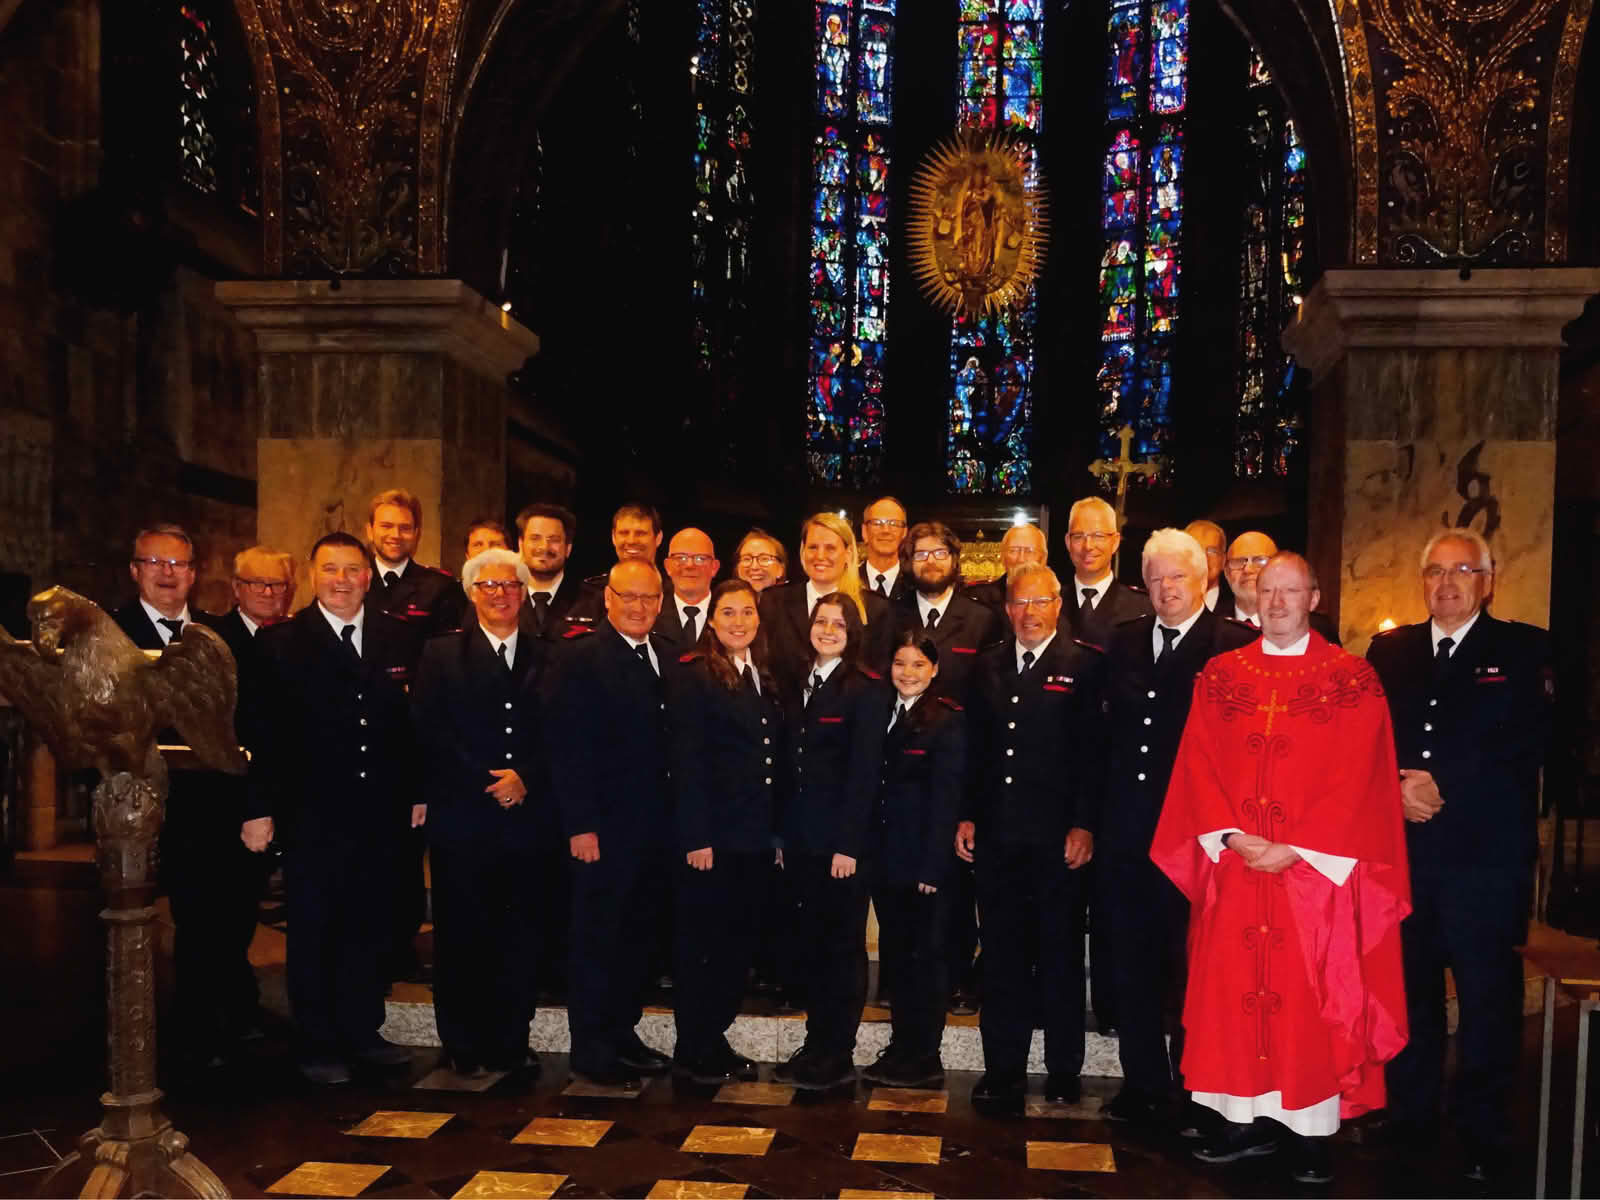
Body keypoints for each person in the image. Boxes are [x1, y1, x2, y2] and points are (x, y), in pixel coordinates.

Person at [1152, 552, 1410, 1185]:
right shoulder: (1220, 676)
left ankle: (1313, 1135)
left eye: (1289, 591)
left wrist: (1295, 847)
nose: (1275, 603)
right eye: (1265, 591)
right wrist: (1235, 836)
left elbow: (1362, 778)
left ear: (1314, 596)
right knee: (1233, 1001)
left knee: (1308, 1005)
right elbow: (1197, 766)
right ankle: (1243, 1123)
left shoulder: (1352, 680)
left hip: (1313, 879)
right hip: (1237, 869)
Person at [1367, 529, 1552, 1182]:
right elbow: (1364, 737)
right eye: (1435, 572)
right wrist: (1395, 786)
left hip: (1485, 860)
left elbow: (1532, 742)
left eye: (1462, 571)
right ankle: (1411, 1116)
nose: (1446, 583)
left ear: (1488, 580)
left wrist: (1443, 781)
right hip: (1408, 853)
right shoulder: (1390, 651)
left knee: (1486, 1001)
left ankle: (1482, 1131)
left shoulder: (1525, 649)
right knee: (1411, 995)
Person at [249, 531, 423, 1084]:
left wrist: (418, 789)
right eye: (331, 570)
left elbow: (414, 725)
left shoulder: (401, 638)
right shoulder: (282, 642)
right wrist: (260, 807)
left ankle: (361, 1030)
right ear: (312, 575)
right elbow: (262, 735)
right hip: (314, 813)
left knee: (371, 923)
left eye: (352, 570)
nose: (342, 581)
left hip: (383, 810)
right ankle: (318, 1042)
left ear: (368, 576)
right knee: (315, 926)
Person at [1098, 529, 1255, 1131]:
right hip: (1127, 835)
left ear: (1204, 580)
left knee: (1193, 969)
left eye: (1178, 577)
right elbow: (1103, 741)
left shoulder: (1232, 647)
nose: (1166, 589)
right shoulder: (1123, 642)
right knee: (1131, 962)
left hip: (1200, 841)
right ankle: (1142, 1084)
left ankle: (1195, 1088)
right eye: (1156, 578)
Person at [958, 563, 1107, 1112]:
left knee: (1061, 956)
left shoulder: (1085, 666)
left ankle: (1064, 1070)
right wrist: (968, 814)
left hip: (1058, 842)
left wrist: (1086, 823)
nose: (1028, 612)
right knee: (1001, 957)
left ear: (1058, 602)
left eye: (1039, 601)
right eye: (1019, 603)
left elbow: (1096, 754)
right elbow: (975, 750)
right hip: (998, 837)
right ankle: (1003, 1069)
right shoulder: (989, 666)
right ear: (1007, 607)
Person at [112, 525, 259, 1070]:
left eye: (178, 564)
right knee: (184, 921)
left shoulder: (217, 634)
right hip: (152, 801)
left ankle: (225, 1016)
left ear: (194, 574)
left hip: (220, 801)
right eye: (154, 562)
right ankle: (188, 1035)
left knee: (229, 915)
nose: (167, 573)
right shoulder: (113, 633)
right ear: (135, 570)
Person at [410, 548, 545, 1080]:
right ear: (472, 593)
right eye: (488, 586)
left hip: (527, 819)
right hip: (463, 817)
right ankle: (463, 1042)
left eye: (510, 585)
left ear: (523, 592)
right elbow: (430, 728)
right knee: (463, 934)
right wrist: (487, 782)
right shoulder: (442, 655)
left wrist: (526, 778)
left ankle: (512, 1039)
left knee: (519, 934)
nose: (500, 594)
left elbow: (557, 727)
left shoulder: (547, 654)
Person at [540, 559, 675, 1087]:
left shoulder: (668, 653)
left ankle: (623, 1033)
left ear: (661, 602)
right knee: (598, 939)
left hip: (657, 829)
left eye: (649, 598)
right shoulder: (579, 657)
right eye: (629, 597)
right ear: (608, 599)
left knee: (639, 939)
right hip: (603, 831)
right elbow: (565, 748)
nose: (639, 607)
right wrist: (581, 826)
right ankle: (592, 1049)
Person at [664, 579, 783, 1085]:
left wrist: (775, 836)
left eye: (747, 612)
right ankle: (695, 1046)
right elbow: (685, 760)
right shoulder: (694, 675)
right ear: (711, 621)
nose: (739, 621)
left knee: (737, 946)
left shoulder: (762, 673)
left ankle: (714, 1037)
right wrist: (696, 836)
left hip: (753, 838)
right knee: (704, 946)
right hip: (711, 840)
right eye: (728, 612)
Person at [774, 592, 889, 1090]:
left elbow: (865, 774)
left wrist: (850, 845)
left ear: (854, 632)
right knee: (811, 946)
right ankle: (816, 1042)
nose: (827, 630)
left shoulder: (865, 689)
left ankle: (836, 1053)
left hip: (841, 847)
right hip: (800, 841)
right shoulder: (796, 682)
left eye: (838, 624)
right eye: (821, 621)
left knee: (842, 950)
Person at [899, 521, 1003, 1014]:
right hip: (901, 773)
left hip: (963, 769)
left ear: (955, 559)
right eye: (920, 554)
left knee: (958, 882)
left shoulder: (982, 619)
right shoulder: (890, 618)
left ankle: (959, 975)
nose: (930, 561)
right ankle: (908, 975)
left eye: (939, 552)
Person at [864, 631, 966, 1089]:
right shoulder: (883, 711)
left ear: (935, 670)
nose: (907, 673)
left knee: (925, 961)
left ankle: (924, 1055)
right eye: (900, 663)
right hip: (887, 861)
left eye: (918, 665)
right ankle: (903, 1047)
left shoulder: (945, 720)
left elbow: (946, 800)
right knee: (898, 960)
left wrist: (932, 867)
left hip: (923, 865)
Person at [760, 512, 897, 693]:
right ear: (802, 550)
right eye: (813, 547)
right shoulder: (773, 602)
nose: (820, 556)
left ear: (848, 553)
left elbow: (879, 681)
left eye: (830, 548)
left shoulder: (875, 609)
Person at [365, 488, 467, 641]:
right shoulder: (353, 581)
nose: (395, 535)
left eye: (405, 528)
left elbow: (447, 653)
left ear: (416, 534)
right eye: (386, 526)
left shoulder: (440, 588)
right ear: (370, 531)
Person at [1061, 496, 1151, 645]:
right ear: (1068, 542)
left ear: (1115, 542)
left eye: (1098, 536)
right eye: (1078, 536)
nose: (1088, 546)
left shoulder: (1143, 607)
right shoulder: (1048, 604)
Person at [1221, 530, 1339, 643]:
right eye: (1238, 561)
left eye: (1260, 560)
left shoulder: (1316, 627)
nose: (1248, 569)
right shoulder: (1212, 628)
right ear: (1226, 573)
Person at [515, 502, 602, 643]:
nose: (544, 547)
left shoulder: (595, 602)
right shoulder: (504, 598)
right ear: (520, 544)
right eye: (535, 538)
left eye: (554, 540)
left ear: (568, 548)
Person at [655, 527, 720, 654]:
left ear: (714, 568)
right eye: (680, 558)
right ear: (667, 566)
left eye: (700, 558)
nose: (690, 565)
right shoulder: (650, 614)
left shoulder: (730, 615)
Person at [965, 522, 1047, 612]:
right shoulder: (979, 599)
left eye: (1029, 551)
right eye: (1013, 551)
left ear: (1043, 558)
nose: (1021, 559)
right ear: (1003, 557)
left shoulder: (1055, 598)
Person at [859, 496, 911, 602]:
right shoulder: (847, 582)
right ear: (864, 531)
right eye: (877, 523)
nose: (886, 530)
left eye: (894, 524)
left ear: (904, 533)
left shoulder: (915, 585)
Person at [1183, 519, 1228, 612]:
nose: (1204, 557)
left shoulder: (1238, 608)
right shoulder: (1161, 602)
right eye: (1195, 548)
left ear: (1223, 560)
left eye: (1212, 551)